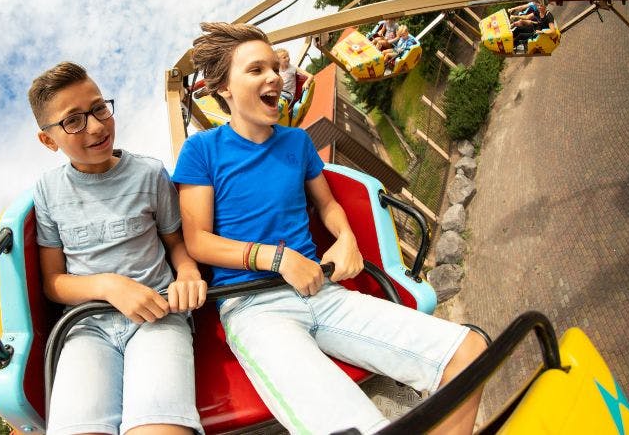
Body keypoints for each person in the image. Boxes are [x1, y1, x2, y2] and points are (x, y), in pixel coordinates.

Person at [172, 22, 487, 435]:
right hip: (254, 306)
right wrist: (278, 259)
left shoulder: (296, 142)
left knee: (469, 351)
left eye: (274, 67)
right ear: (224, 88)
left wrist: (346, 239)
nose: (273, 77)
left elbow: (328, 204)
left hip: (322, 290)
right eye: (255, 70)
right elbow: (197, 240)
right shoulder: (201, 150)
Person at [28, 62, 207, 435]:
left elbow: (176, 244)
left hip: (158, 314)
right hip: (87, 325)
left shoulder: (149, 174)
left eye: (99, 108)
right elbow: (53, 282)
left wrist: (188, 272)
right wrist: (109, 285)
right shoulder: (47, 191)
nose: (95, 126)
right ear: (48, 140)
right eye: (73, 121)